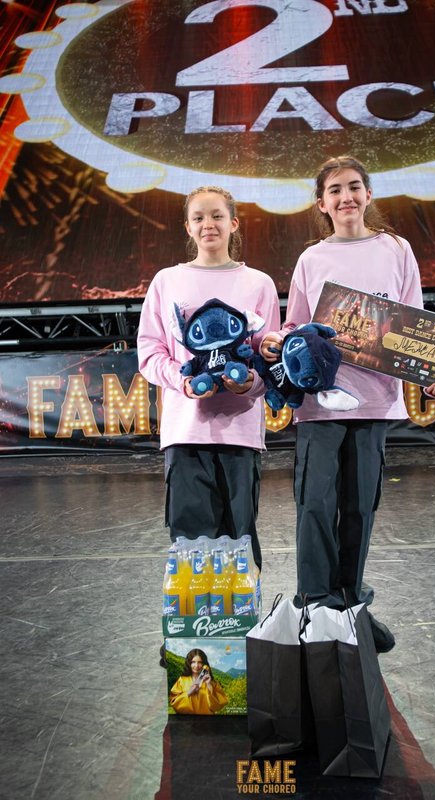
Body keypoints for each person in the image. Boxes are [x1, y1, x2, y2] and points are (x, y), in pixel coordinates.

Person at [260, 156, 435, 653]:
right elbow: (296, 324)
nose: (345, 197)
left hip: (376, 400)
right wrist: (278, 341)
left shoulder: (396, 249)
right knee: (315, 505)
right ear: (322, 203)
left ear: (368, 194)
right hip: (322, 405)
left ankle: (350, 609)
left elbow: (417, 325)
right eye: (335, 190)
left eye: (353, 187)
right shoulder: (312, 259)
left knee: (360, 508)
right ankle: (314, 608)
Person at [137, 186, 280, 572]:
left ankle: (242, 614)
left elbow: (269, 357)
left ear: (234, 223)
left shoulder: (259, 283)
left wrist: (248, 383)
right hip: (186, 435)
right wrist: (181, 381)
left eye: (217, 215)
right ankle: (193, 616)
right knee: (191, 553)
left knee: (238, 547)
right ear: (188, 227)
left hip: (241, 435)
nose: (208, 224)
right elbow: (150, 352)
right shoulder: (167, 281)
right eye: (198, 217)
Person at [169, 649, 228, 715]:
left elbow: (219, 706)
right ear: (189, 663)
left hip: (207, 720)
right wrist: (188, 693)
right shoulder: (182, 680)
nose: (196, 665)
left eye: (200, 662)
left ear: (204, 664)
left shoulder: (212, 683)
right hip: (187, 720)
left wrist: (209, 685)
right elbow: (173, 703)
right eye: (193, 662)